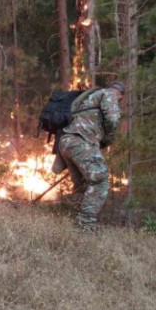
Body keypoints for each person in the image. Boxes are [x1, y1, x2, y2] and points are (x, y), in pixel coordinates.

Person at [58, 81, 124, 232]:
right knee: (100, 180)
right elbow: (113, 119)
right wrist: (109, 138)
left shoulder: (89, 98)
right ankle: (85, 226)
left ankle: (74, 223)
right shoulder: (109, 94)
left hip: (66, 141)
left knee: (81, 185)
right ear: (120, 95)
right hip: (81, 141)